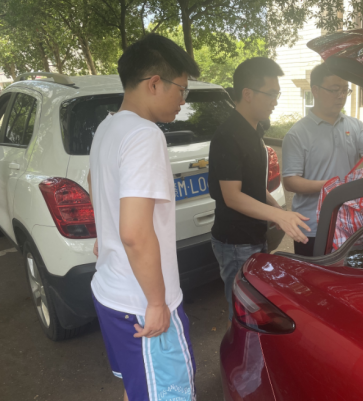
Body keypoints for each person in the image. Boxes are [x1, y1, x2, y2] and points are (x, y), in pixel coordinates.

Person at [87, 33, 199, 401]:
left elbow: (93, 181)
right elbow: (135, 232)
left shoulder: (108, 127)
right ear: (154, 83)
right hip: (140, 305)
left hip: (110, 291)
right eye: (181, 89)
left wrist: (103, 234)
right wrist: (156, 303)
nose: (183, 100)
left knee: (137, 389)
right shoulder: (144, 135)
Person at [208, 57, 310, 320]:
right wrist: (278, 215)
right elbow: (232, 197)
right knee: (243, 314)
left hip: (254, 235)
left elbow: (253, 185)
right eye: (271, 94)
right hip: (235, 242)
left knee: (257, 309)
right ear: (248, 94)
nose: (275, 100)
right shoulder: (228, 135)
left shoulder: (254, 130)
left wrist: (277, 211)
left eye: (278, 94)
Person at [282, 63, 363, 257]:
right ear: (315, 91)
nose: (341, 96)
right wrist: (333, 186)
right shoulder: (297, 133)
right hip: (312, 227)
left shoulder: (356, 126)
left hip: (350, 222)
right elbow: (290, 181)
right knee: (314, 275)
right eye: (334, 90)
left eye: (345, 90)